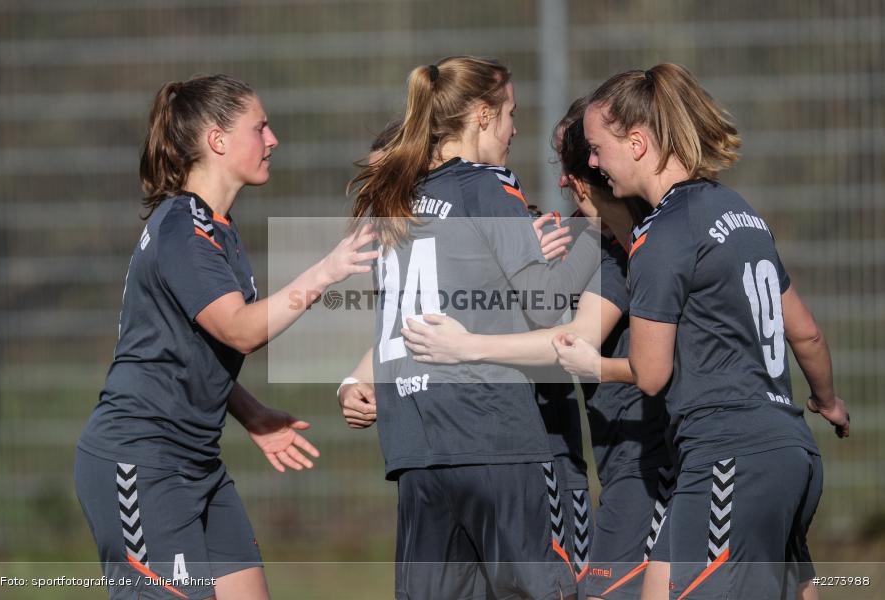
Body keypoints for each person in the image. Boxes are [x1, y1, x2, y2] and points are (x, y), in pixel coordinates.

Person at [75, 74, 378, 600]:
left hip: (196, 464)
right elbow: (238, 331)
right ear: (217, 140)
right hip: (140, 464)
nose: (273, 140)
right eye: (259, 128)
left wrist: (250, 413)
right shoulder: (182, 230)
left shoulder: (217, 225)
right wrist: (324, 272)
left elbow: (186, 348)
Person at [581, 63, 849, 600]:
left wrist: (592, 366)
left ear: (636, 143)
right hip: (789, 451)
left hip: (730, 461)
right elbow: (809, 335)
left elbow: (652, 375)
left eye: (594, 147)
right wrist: (829, 400)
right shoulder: (740, 211)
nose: (591, 163)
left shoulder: (659, 236)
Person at [401, 98, 675, 600]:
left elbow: (576, 341)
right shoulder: (569, 233)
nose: (567, 179)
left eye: (575, 164)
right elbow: (443, 291)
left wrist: (468, 348)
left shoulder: (627, 246)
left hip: (651, 457)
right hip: (611, 459)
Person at [348, 55, 600, 600]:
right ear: (482, 117)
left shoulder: (396, 200)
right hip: (495, 440)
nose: (514, 129)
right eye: (509, 113)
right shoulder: (487, 186)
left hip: (416, 450)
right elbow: (549, 308)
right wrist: (596, 229)